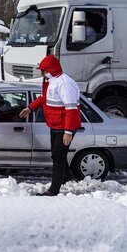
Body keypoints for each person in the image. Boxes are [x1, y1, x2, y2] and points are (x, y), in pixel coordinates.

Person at [19, 55, 81, 196]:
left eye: (43, 70)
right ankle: (65, 178)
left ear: (50, 70)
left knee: (58, 156)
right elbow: (44, 98)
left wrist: (68, 131)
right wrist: (30, 108)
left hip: (64, 126)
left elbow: (71, 109)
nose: (41, 73)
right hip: (56, 124)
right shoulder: (51, 81)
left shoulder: (64, 84)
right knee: (58, 154)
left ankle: (54, 190)